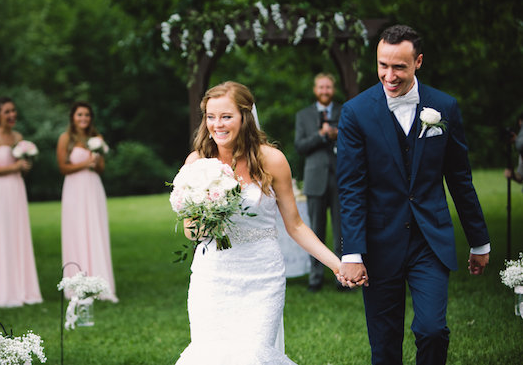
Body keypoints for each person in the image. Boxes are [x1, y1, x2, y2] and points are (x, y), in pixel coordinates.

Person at [337, 24, 490, 364]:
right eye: (382, 65)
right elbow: (351, 188)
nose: (389, 76)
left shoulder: (444, 107)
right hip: (379, 241)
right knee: (385, 342)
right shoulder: (355, 112)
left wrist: (479, 242)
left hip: (429, 240)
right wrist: (353, 252)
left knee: (432, 329)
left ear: (418, 61)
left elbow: (460, 178)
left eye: (399, 67)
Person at [175, 81, 348, 364]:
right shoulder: (198, 162)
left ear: (245, 117)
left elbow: (295, 225)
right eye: (210, 116)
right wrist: (205, 218)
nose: (217, 125)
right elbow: (191, 232)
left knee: (254, 355)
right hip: (212, 276)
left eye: (226, 116)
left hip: (261, 276)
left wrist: (336, 264)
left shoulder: (273, 160)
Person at [0, 96, 42, 307]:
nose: (12, 115)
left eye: (13, 110)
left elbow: (21, 163)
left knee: (17, 236)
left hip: (16, 191)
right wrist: (15, 167)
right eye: (7, 112)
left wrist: (25, 166)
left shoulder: (18, 136)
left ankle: (21, 288)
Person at [57, 101, 118, 302]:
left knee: (95, 230)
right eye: (80, 114)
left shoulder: (96, 139)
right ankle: (76, 283)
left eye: (87, 115)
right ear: (73, 117)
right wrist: (85, 163)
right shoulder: (65, 139)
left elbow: (100, 169)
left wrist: (97, 159)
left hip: (93, 187)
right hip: (74, 189)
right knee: (76, 231)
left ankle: (99, 282)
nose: (84, 118)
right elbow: (63, 167)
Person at [294, 72, 343, 292]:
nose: (325, 91)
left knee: (343, 230)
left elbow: (355, 141)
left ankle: (343, 275)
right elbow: (300, 146)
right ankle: (316, 277)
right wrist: (321, 136)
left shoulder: (345, 112)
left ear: (333, 89)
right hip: (315, 179)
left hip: (341, 178)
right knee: (315, 230)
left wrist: (337, 134)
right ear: (315, 90)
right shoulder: (303, 115)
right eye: (321, 87)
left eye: (328, 87)